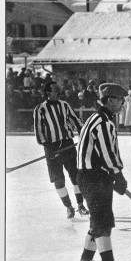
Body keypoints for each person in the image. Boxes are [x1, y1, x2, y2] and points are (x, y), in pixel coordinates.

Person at [74, 83, 129, 261]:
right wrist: (118, 175)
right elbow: (108, 154)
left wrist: (113, 175)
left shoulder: (96, 118)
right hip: (94, 178)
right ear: (110, 100)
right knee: (102, 223)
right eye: (120, 99)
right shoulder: (104, 122)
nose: (123, 103)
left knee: (98, 222)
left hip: (94, 176)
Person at [33, 81, 87, 219]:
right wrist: (49, 148)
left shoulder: (64, 105)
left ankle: (80, 205)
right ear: (48, 93)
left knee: (76, 176)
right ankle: (69, 207)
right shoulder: (40, 109)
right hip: (51, 148)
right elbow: (39, 133)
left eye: (58, 89)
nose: (57, 91)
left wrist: (83, 134)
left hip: (68, 145)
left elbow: (76, 121)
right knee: (59, 180)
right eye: (54, 89)